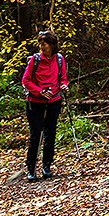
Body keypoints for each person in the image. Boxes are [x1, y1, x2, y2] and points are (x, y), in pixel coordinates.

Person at [21, 31, 69, 181]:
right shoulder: (35, 60)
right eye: (40, 44)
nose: (41, 47)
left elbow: (63, 78)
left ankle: (47, 165)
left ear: (51, 45)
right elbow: (26, 80)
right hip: (35, 102)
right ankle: (31, 168)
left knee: (50, 133)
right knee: (36, 135)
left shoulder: (59, 59)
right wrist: (40, 91)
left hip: (54, 100)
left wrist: (64, 86)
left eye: (44, 44)